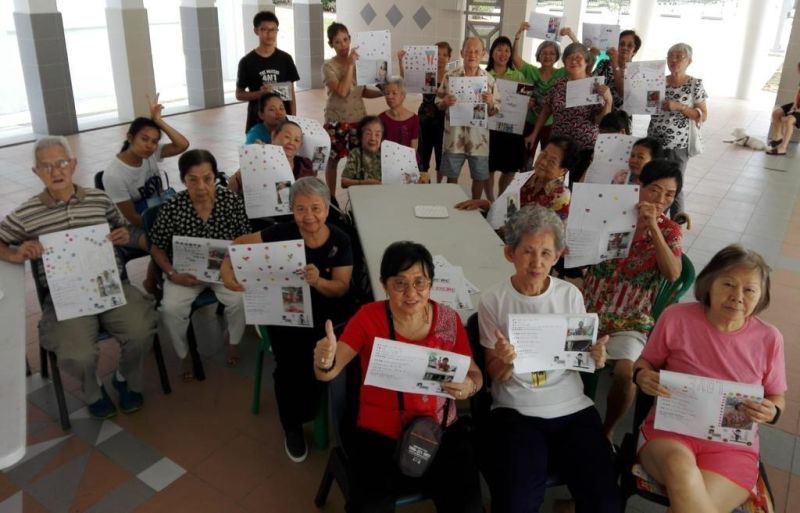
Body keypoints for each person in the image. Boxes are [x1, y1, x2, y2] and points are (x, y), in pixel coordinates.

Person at [313, 241, 483, 513]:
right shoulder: (369, 318)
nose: (411, 293)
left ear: (431, 283)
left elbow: (474, 373)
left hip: (438, 429)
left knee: (468, 506)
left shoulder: (448, 320)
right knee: (369, 506)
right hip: (378, 433)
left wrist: (470, 387)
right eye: (399, 283)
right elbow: (330, 370)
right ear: (384, 284)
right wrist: (324, 360)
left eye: (420, 282)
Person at [0, 136, 158, 418]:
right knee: (78, 353)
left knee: (142, 330)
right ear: (36, 172)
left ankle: (122, 376)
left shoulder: (98, 199)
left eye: (61, 163)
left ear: (73, 165)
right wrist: (14, 254)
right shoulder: (27, 213)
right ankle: (92, 386)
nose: (55, 171)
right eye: (46, 167)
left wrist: (124, 236)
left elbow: (122, 228)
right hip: (65, 296)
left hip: (110, 286)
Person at [478, 205, 619, 513]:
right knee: (516, 503)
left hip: (572, 407)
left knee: (605, 502)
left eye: (546, 253)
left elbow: (581, 359)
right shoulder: (493, 300)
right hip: (516, 409)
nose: (536, 263)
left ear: (557, 256)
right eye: (527, 252)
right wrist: (505, 362)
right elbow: (495, 375)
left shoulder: (570, 295)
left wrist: (595, 356)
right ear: (509, 253)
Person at [633, 244, 785, 513]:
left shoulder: (769, 338)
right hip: (670, 433)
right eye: (728, 284)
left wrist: (771, 409)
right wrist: (643, 375)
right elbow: (645, 363)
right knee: (682, 471)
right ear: (709, 284)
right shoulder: (676, 317)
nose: (737, 296)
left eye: (749, 290)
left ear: (761, 296)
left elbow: (776, 396)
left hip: (732, 447)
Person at [221, 177, 353, 462]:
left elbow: (341, 287)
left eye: (316, 208)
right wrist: (225, 269)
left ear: (327, 210)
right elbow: (237, 245)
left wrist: (318, 281)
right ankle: (291, 425)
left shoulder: (340, 239)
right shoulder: (281, 232)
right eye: (300, 209)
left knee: (331, 358)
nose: (309, 217)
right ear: (292, 210)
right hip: (287, 315)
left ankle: (334, 414)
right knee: (290, 366)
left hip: (328, 314)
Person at [582, 159, 683, 440]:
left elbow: (673, 273)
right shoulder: (611, 213)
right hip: (588, 309)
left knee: (627, 373)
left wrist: (653, 227)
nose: (660, 199)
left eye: (669, 195)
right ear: (639, 186)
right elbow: (580, 250)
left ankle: (607, 431)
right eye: (654, 190)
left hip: (631, 318)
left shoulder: (670, 230)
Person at [148, 150, 250, 379]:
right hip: (184, 274)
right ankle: (183, 354)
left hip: (223, 270)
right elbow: (156, 246)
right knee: (171, 309)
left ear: (215, 177)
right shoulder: (173, 206)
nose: (201, 186)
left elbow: (245, 237)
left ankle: (233, 341)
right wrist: (173, 274)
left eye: (208, 178)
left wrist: (231, 265)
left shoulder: (230, 201)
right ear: (183, 180)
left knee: (240, 299)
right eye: (192, 180)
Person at [526, 43, 613, 184]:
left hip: (584, 148)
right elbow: (546, 110)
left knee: (575, 186)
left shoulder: (596, 87)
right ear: (565, 62)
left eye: (578, 58)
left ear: (586, 61)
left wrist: (608, 101)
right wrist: (534, 134)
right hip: (558, 148)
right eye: (569, 58)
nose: (573, 61)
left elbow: (600, 121)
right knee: (552, 184)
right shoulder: (559, 84)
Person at [322, 22, 384, 195]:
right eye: (337, 42)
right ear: (331, 44)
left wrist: (382, 93)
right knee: (332, 160)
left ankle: (357, 198)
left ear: (350, 39)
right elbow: (342, 91)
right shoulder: (329, 66)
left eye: (345, 39)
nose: (343, 45)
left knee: (357, 160)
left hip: (358, 120)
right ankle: (331, 197)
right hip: (336, 121)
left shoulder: (359, 63)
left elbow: (361, 91)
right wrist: (350, 65)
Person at [455, 134, 577, 222]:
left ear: (563, 170)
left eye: (552, 161)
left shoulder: (560, 195)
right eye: (543, 154)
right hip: (505, 235)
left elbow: (550, 237)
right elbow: (509, 211)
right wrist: (485, 204)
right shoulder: (527, 178)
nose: (543, 162)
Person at [647, 43, 707, 216]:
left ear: (689, 61)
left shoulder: (695, 84)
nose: (673, 60)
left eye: (679, 57)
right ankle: (654, 219)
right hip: (655, 141)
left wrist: (680, 107)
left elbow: (702, 115)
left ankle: (675, 225)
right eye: (670, 56)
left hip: (679, 144)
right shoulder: (657, 81)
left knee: (675, 185)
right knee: (655, 182)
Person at [436, 36, 497, 200]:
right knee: (452, 175)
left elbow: (494, 111)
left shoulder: (489, 80)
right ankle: (451, 203)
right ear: (462, 52)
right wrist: (445, 102)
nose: (472, 54)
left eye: (477, 51)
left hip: (479, 138)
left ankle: (475, 206)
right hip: (454, 136)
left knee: (479, 177)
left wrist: (490, 102)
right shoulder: (450, 76)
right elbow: (438, 102)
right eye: (469, 50)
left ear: (483, 54)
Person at [512, 24, 568, 164]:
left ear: (556, 57)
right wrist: (518, 35)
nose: (548, 56)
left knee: (550, 159)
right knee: (526, 159)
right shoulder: (532, 71)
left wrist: (571, 36)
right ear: (539, 55)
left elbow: (580, 57)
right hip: (530, 121)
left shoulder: (561, 73)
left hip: (551, 125)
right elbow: (515, 58)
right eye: (544, 53)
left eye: (552, 53)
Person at [236, 11, 300, 132]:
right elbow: (239, 94)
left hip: (281, 122)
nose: (269, 34)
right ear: (256, 31)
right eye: (264, 29)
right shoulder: (246, 61)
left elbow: (291, 93)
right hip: (257, 122)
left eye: (273, 30)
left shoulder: (285, 58)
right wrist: (259, 94)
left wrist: (292, 119)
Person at [398, 42, 452, 182]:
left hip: (443, 120)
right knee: (423, 154)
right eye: (438, 54)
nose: (440, 57)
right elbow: (407, 81)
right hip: (425, 119)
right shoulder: (426, 71)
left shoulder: (451, 76)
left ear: (449, 58)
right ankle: (424, 183)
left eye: (444, 55)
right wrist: (401, 61)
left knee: (441, 155)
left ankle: (439, 185)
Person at [486, 36, 526, 199]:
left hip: (512, 129)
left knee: (510, 168)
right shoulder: (485, 75)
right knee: (489, 166)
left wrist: (527, 103)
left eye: (507, 50)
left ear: (511, 54)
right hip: (490, 128)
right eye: (499, 49)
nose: (503, 54)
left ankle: (501, 198)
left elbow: (524, 101)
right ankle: (490, 199)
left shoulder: (519, 77)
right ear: (492, 52)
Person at [228, 120, 314, 195]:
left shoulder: (305, 166)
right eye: (287, 137)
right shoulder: (258, 159)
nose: (291, 142)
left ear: (300, 145)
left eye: (297, 140)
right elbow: (231, 189)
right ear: (273, 136)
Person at [767, 61, 800, 156]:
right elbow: (797, 94)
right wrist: (794, 106)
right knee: (776, 113)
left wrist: (796, 111)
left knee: (789, 121)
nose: (798, 71)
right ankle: (778, 137)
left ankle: (783, 148)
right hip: (797, 105)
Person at [341, 116, 384, 188]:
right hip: (359, 196)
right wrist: (364, 183)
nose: (373, 138)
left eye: (377, 135)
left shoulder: (386, 154)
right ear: (360, 136)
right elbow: (344, 182)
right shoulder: (355, 154)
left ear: (382, 138)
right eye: (368, 133)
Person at [378, 79, 420, 151]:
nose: (389, 97)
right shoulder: (381, 118)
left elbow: (413, 149)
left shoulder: (414, 119)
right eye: (387, 93)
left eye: (394, 93)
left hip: (408, 160)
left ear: (403, 96)